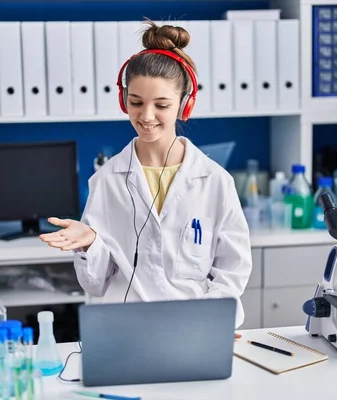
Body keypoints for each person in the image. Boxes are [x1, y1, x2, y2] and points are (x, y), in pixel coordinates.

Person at [39, 19, 252, 327]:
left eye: (161, 105)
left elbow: (232, 270)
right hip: (126, 328)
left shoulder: (215, 181)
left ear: (184, 104)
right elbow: (96, 284)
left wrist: (209, 322)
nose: (146, 116)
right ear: (124, 100)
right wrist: (90, 244)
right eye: (136, 102)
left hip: (193, 327)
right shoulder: (106, 180)